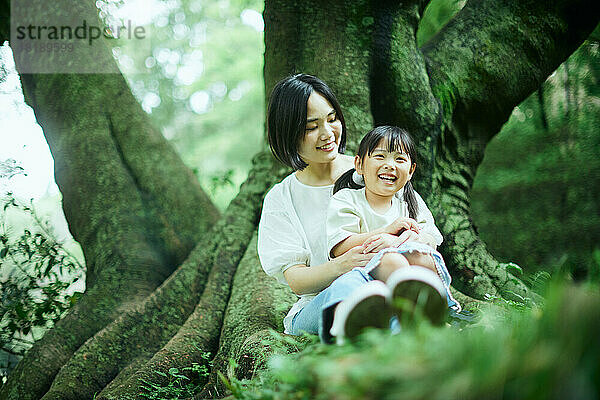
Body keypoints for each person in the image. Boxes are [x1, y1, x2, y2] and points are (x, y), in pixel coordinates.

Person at [257, 74, 454, 344]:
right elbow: (298, 281)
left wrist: (414, 239)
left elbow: (426, 228)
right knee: (354, 286)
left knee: (397, 281)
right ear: (288, 133)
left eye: (332, 119)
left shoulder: (375, 166)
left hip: (394, 284)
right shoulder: (282, 198)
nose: (327, 134)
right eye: (311, 126)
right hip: (322, 301)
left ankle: (410, 334)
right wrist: (343, 265)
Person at [326, 126, 461, 342]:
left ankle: (428, 317)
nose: (390, 165)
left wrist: (416, 238)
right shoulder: (347, 199)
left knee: (423, 257)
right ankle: (406, 324)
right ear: (359, 164)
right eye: (380, 156)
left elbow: (432, 238)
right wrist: (386, 234)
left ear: (411, 171)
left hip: (407, 267)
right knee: (392, 261)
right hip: (363, 276)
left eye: (399, 159)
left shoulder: (411, 201)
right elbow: (340, 245)